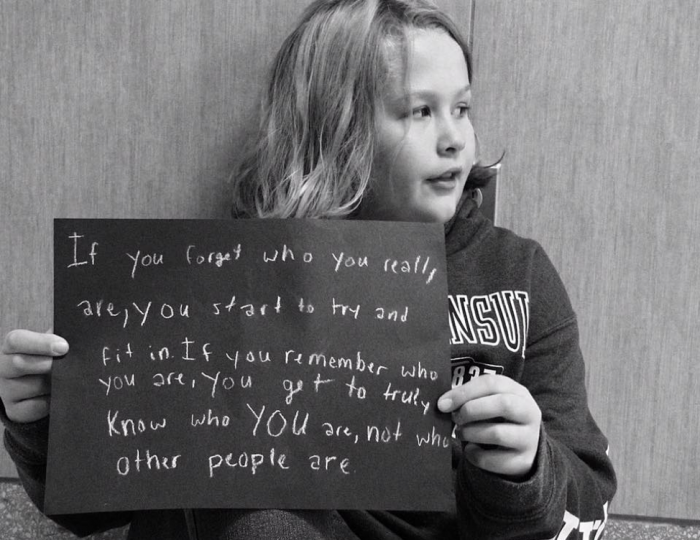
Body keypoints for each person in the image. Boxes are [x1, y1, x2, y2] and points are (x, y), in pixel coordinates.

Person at [1, 0, 616, 538]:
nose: (455, 138)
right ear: (338, 130)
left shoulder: (520, 274)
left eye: (463, 108)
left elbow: (588, 503)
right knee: (251, 516)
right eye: (419, 112)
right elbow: (100, 504)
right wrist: (45, 418)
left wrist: (529, 466)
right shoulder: (237, 280)